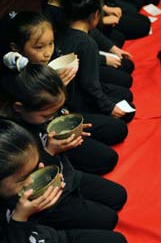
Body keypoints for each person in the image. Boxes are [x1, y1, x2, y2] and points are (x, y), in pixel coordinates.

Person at [0, 59, 127, 232]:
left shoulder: (37, 113)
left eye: (56, 112)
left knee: (118, 195)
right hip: (47, 199)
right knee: (108, 220)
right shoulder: (15, 138)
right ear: (18, 108)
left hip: (67, 174)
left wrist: (66, 126)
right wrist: (51, 151)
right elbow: (35, 173)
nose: (52, 118)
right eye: (47, 116)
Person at [1, 10, 129, 148]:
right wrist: (57, 88)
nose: (47, 53)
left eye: (51, 43)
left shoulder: (49, 59)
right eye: (39, 47)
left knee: (124, 110)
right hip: (46, 133)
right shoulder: (18, 80)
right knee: (113, 139)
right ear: (16, 48)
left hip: (62, 110)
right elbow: (41, 116)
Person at [0, 119, 128, 243]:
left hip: (46, 231)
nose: (33, 178)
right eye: (23, 178)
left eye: (35, 167)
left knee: (114, 212)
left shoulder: (20, 150)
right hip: (25, 232)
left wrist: (50, 154)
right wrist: (20, 218)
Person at [57, 0, 135, 123]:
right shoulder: (87, 44)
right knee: (126, 114)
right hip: (78, 100)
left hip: (71, 91)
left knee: (126, 94)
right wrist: (109, 107)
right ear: (96, 15)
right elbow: (90, 86)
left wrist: (112, 50)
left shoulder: (65, 27)